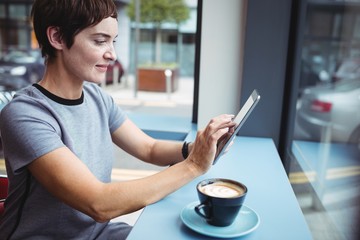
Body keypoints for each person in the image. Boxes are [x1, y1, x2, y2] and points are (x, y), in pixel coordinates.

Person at [0, 0, 235, 239]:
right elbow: (98, 203)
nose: (112, 54)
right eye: (100, 41)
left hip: (100, 234)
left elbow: (149, 148)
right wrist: (193, 165)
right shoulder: (25, 114)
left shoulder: (97, 98)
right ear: (58, 37)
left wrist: (197, 148)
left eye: (113, 41)